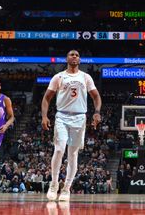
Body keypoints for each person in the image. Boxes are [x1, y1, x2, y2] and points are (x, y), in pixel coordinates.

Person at [41, 50, 102, 202]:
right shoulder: (59, 76)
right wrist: (44, 116)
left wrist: (97, 112)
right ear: (67, 58)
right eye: (71, 54)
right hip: (62, 115)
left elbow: (96, 96)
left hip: (80, 117)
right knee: (60, 148)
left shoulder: (85, 77)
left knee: (73, 154)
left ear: (80, 60)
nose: (74, 56)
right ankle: (54, 184)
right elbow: (47, 98)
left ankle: (67, 188)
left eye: (76, 55)